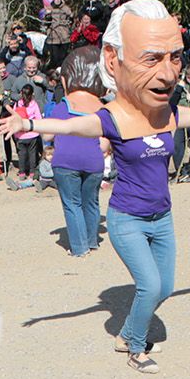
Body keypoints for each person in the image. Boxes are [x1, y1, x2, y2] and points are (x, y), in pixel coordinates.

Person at [0, 0, 190, 373]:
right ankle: (135, 348)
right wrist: (28, 125)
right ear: (113, 60)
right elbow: (72, 126)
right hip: (127, 219)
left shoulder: (168, 113)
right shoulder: (112, 119)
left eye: (175, 58)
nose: (168, 73)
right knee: (149, 285)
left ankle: (125, 334)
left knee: (165, 287)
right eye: (152, 59)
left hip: (162, 218)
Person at [47, 47, 109, 258]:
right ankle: (92, 242)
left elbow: (47, 135)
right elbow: (105, 143)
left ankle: (79, 247)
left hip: (66, 161)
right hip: (94, 162)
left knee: (72, 204)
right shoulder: (103, 108)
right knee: (91, 202)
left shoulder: (63, 105)